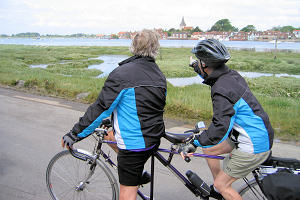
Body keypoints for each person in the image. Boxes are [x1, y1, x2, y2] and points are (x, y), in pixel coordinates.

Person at [61, 29, 167, 200]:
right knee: (110, 136)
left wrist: (75, 134)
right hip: (154, 138)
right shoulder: (159, 75)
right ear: (156, 48)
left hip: (134, 145)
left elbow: (101, 107)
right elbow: (149, 108)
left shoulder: (121, 74)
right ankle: (136, 173)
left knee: (126, 193)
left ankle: (133, 175)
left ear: (133, 47)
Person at [186, 39, 274, 200]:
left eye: (200, 61)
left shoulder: (221, 90)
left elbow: (220, 128)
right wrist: (197, 68)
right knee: (209, 148)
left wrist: (194, 142)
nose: (198, 63)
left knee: (221, 184)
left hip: (253, 144)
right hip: (256, 134)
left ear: (206, 64)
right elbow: (213, 75)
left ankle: (222, 186)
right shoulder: (230, 75)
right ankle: (223, 188)